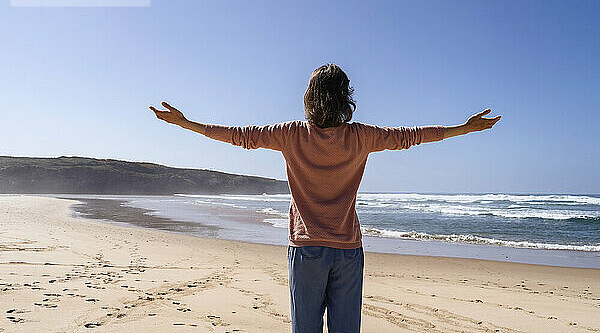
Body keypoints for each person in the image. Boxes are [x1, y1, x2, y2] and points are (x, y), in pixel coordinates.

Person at [149, 63, 501, 333]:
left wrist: (186, 124)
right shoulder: (362, 136)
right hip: (348, 250)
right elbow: (412, 136)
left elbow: (240, 136)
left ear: (309, 97)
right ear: (346, 99)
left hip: (306, 250)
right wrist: (463, 129)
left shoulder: (290, 135)